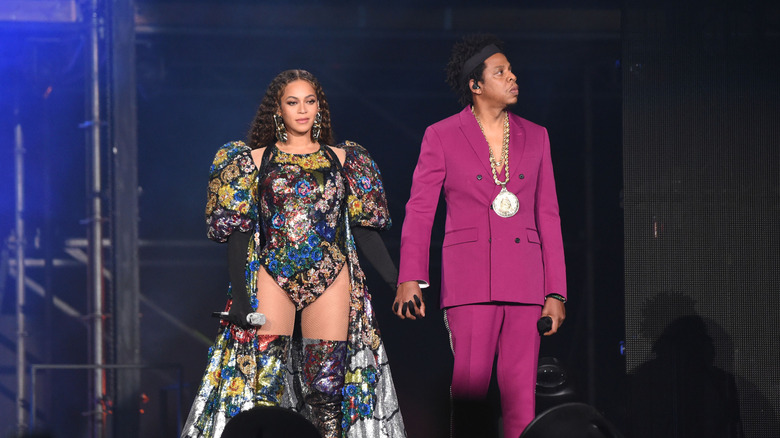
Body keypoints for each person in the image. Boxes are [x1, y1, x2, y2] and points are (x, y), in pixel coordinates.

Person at [182, 69, 406, 438]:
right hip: (273, 273)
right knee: (264, 389)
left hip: (330, 274)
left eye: (310, 101)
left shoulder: (345, 159)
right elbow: (239, 236)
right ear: (278, 110)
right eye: (292, 102)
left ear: (319, 107)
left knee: (328, 391)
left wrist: (397, 280)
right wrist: (240, 298)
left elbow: (364, 228)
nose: (302, 110)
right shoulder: (251, 161)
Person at [393, 35, 567, 437]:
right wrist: (409, 276)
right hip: (470, 281)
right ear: (476, 85)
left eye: (511, 70)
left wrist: (555, 292)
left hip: (527, 282)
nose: (512, 77)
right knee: (470, 392)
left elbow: (549, 216)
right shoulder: (441, 135)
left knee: (522, 397)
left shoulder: (536, 135)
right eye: (500, 72)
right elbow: (421, 209)